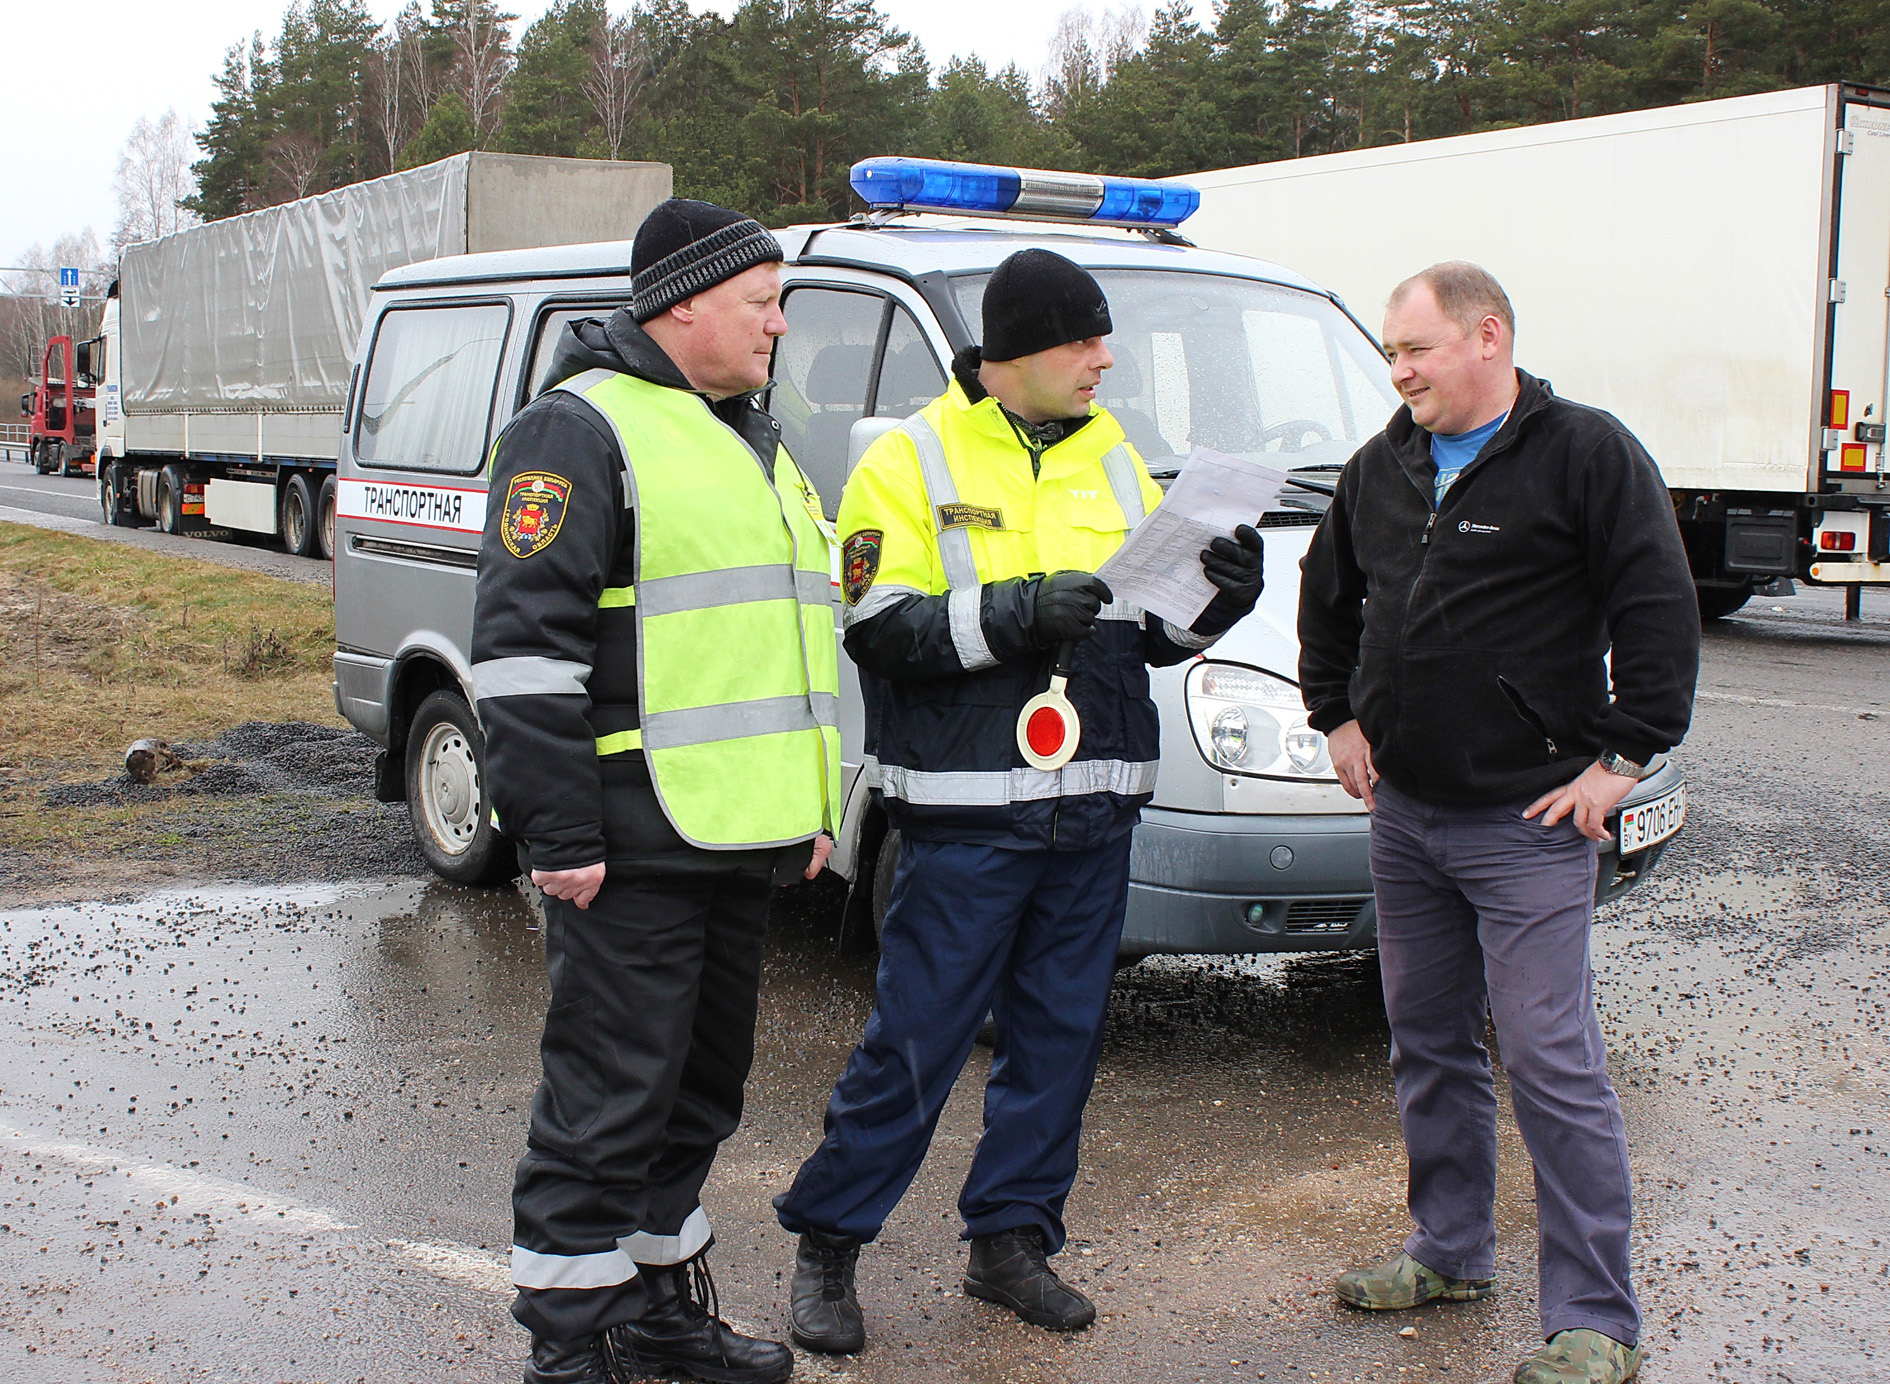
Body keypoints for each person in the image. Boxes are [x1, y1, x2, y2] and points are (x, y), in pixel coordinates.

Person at [773, 249, 1267, 1355]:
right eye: (1082, 340)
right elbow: (875, 625)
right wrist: (1012, 611)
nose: (1104, 358)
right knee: (916, 1041)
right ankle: (827, 1244)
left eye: (1102, 339)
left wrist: (1216, 606)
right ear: (1016, 354)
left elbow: (1149, 625)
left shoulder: (1115, 455)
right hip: (965, 817)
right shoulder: (910, 457)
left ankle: (1011, 1242)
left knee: (1058, 1042)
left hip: (1093, 812)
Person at [1297, 261, 1698, 1384]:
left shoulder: (1586, 453)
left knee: (1548, 1057)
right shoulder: (1383, 465)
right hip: (1407, 814)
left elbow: (1659, 610)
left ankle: (1595, 1318)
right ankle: (1449, 1249)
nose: (1400, 371)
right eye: (1390, 353)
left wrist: (1622, 759)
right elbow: (1328, 598)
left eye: (1415, 349)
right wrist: (1335, 716)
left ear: (1488, 337)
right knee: (1426, 1039)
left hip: (1528, 820)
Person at [473, 198, 841, 1384]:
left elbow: (779, 642)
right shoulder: (575, 431)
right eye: (760, 302)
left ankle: (657, 1311)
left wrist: (813, 809)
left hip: (737, 835)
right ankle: (571, 1349)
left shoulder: (750, 435)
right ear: (685, 301)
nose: (779, 324)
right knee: (606, 1103)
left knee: (697, 1098)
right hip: (627, 845)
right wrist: (558, 829)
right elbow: (525, 655)